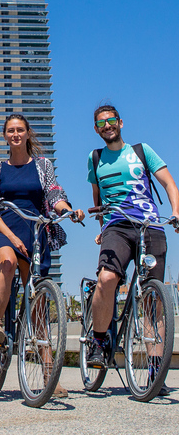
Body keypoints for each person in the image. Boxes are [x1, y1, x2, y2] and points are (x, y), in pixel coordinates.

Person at [0, 113, 84, 398]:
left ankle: (50, 375)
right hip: (3, 229)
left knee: (38, 301)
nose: (15, 134)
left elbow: (53, 193)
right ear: (5, 135)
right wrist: (12, 237)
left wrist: (66, 210)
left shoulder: (42, 166)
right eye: (10, 130)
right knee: (8, 261)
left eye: (20, 130)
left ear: (28, 134)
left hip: (35, 230)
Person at [85, 104, 179, 395]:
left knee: (154, 299)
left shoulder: (142, 151)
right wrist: (102, 230)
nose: (107, 126)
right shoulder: (95, 158)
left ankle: (155, 372)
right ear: (96, 129)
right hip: (116, 226)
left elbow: (169, 184)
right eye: (101, 123)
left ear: (121, 123)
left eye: (111, 120)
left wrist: (176, 211)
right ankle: (99, 342)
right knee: (107, 279)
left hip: (151, 226)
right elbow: (98, 199)